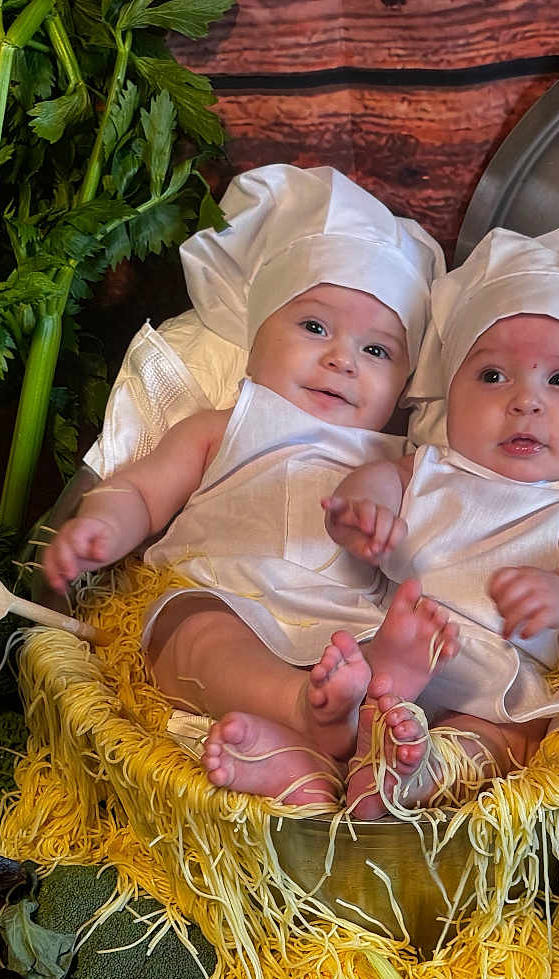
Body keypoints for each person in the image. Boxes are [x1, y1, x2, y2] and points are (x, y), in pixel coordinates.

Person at [40, 164, 455, 809]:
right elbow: (144, 493)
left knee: (402, 641)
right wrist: (100, 524)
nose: (342, 358)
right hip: (227, 598)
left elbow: (420, 525)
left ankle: (336, 730)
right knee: (189, 634)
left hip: (346, 626)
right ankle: (304, 717)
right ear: (257, 336)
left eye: (377, 352)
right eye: (314, 327)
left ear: (403, 386)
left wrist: (381, 518)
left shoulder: (399, 459)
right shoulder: (224, 426)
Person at [323, 226, 559, 818]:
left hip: (497, 670)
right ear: (448, 396)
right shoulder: (430, 468)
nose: (525, 400)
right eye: (492, 376)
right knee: (332, 678)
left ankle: (419, 768)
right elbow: (375, 484)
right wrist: (362, 511)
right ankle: (334, 739)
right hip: (394, 636)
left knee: (508, 739)